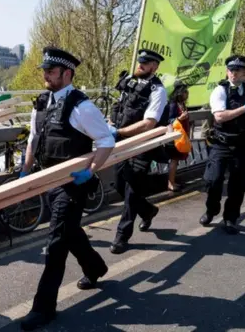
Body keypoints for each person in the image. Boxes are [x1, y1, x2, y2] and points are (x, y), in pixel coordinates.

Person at [18, 47, 114, 331]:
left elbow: (106, 141)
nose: (46, 75)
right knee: (70, 232)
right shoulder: (42, 102)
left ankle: (43, 308)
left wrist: (90, 171)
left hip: (73, 184)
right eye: (45, 71)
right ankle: (96, 268)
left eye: (51, 71)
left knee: (57, 241)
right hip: (48, 179)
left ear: (67, 74)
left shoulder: (82, 106)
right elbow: (34, 138)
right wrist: (26, 169)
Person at [107, 49, 169, 255]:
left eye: (146, 62)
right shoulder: (129, 82)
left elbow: (149, 123)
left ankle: (121, 236)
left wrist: (120, 132)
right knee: (118, 184)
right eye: (140, 61)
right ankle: (148, 210)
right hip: (121, 143)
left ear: (155, 66)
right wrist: (110, 125)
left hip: (142, 145)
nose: (140, 65)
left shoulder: (157, 90)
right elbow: (118, 108)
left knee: (132, 190)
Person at [199, 55, 245, 235]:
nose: (234, 74)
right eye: (231, 70)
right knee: (214, 180)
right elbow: (219, 116)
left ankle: (231, 218)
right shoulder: (220, 90)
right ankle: (211, 209)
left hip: (241, 144)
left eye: (238, 70)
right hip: (222, 142)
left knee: (238, 183)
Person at [166, 81, 190, 192]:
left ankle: (173, 181)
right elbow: (169, 120)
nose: (187, 93)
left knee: (177, 159)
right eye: (185, 91)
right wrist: (180, 118)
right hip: (175, 136)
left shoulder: (182, 104)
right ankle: (170, 183)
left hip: (182, 134)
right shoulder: (172, 104)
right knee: (174, 159)